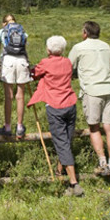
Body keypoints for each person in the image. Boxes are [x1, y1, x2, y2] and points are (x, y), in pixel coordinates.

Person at [28, 35, 83, 197]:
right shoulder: (67, 62)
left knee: (62, 143)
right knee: (67, 139)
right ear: (63, 49)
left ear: (48, 49)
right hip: (70, 103)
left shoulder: (45, 63)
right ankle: (60, 173)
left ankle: (74, 183)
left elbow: (34, 73)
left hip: (55, 105)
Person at [68, 20, 110, 177]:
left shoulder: (79, 47)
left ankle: (102, 162)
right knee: (109, 128)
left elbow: (68, 66)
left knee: (94, 128)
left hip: (92, 90)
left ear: (85, 33)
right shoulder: (106, 46)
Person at [0, 14, 30, 139]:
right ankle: (19, 127)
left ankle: (7, 127)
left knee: (8, 96)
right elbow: (24, 48)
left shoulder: (1, 31)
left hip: (8, 61)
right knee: (20, 96)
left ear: (4, 23)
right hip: (22, 61)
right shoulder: (22, 30)